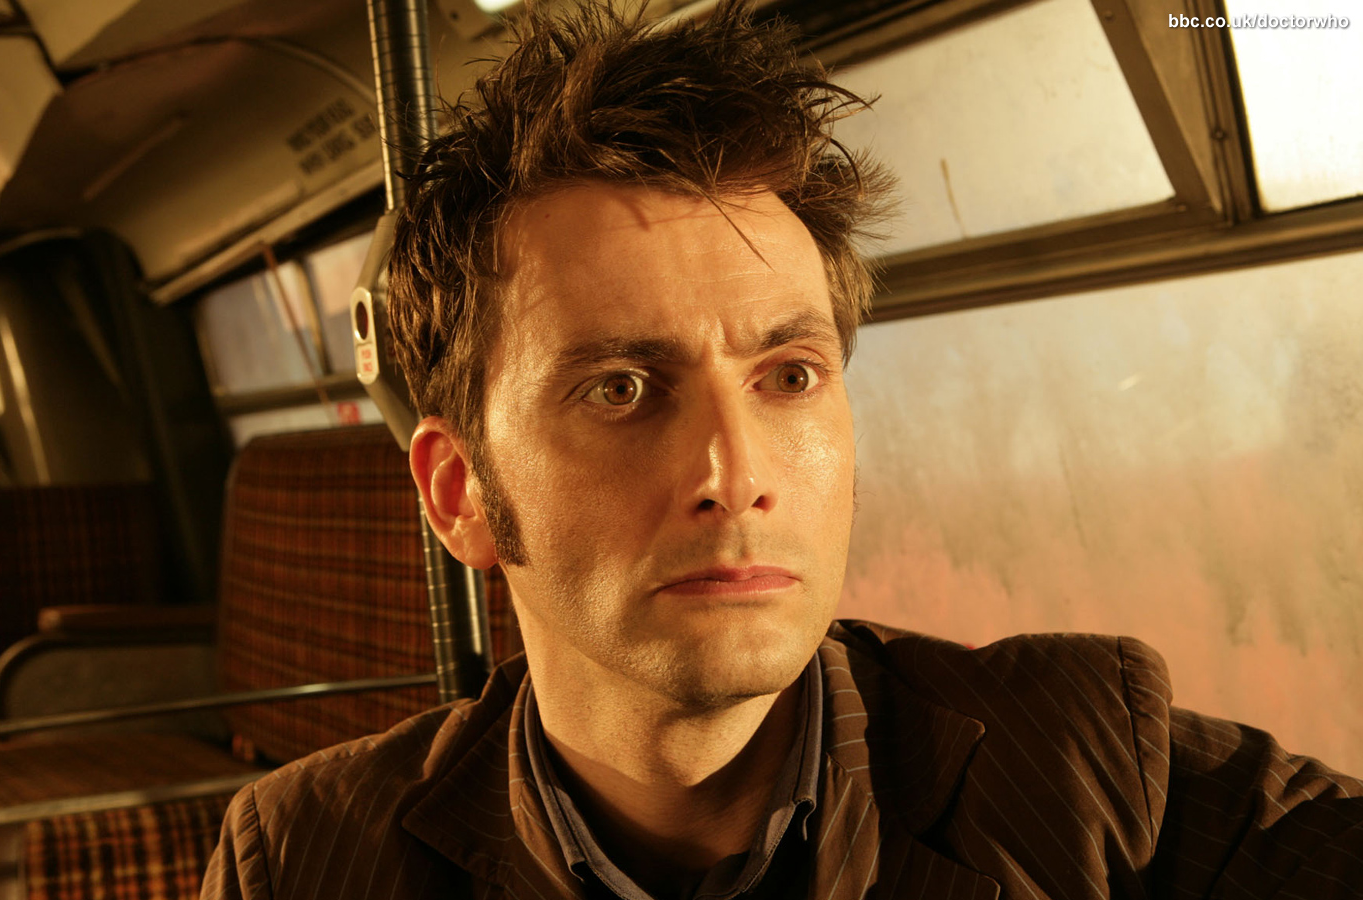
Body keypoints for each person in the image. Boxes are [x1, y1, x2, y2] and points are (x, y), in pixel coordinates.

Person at [201, 2, 1363, 897]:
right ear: (460, 492)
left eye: (788, 377)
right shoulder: (305, 859)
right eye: (621, 389)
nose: (735, 473)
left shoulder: (1084, 761)